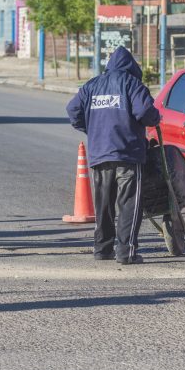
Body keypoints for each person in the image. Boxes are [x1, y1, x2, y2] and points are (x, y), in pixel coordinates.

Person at [66, 46, 160, 265]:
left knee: (104, 205)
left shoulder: (92, 85)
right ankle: (126, 252)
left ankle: (102, 249)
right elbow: (146, 112)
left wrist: (92, 129)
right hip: (127, 153)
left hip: (100, 155)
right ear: (132, 67)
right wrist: (155, 119)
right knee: (129, 204)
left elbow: (73, 110)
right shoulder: (132, 84)